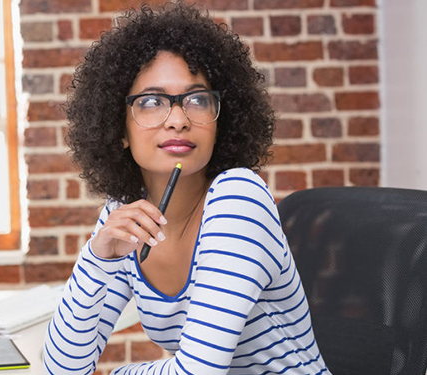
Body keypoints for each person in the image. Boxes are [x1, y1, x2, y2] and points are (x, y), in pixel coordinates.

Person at [43, 3, 330, 375]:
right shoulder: (128, 214)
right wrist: (97, 259)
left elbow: (197, 373)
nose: (178, 119)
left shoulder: (239, 199)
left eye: (197, 99)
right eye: (150, 102)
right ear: (119, 129)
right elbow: (62, 368)